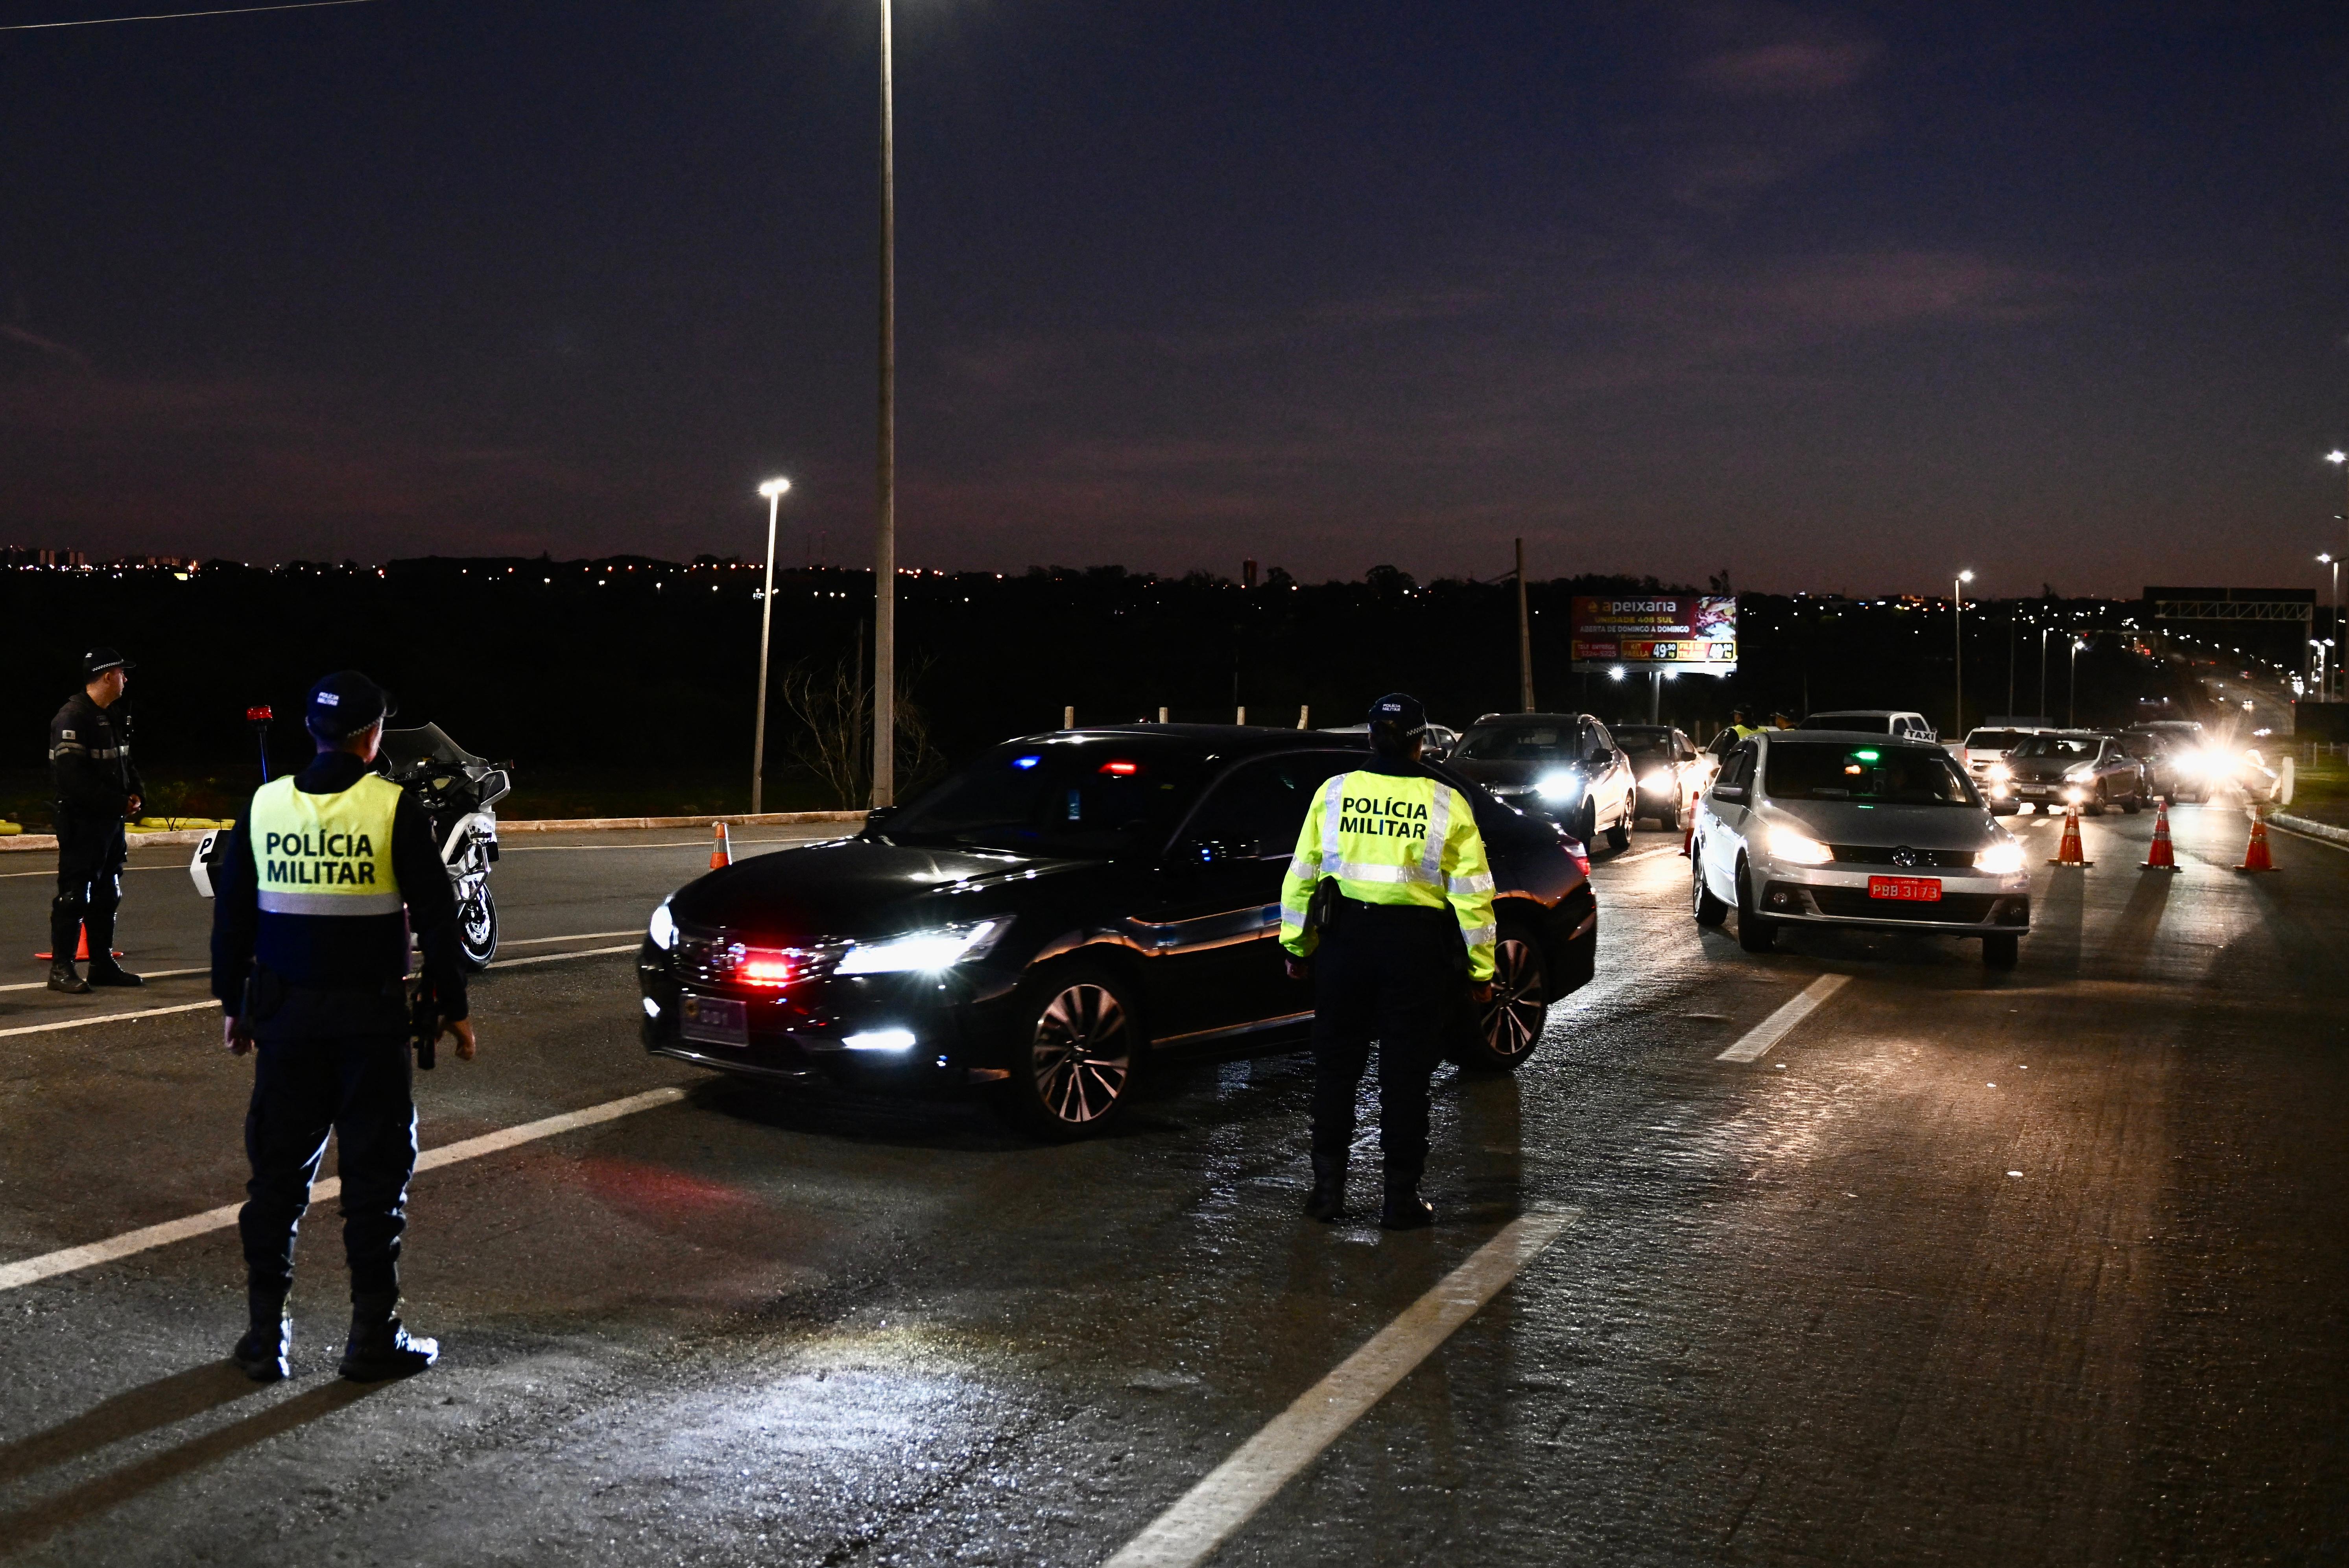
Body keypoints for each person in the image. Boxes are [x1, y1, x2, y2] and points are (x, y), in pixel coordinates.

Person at [210, 671, 478, 1383]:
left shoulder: (266, 804)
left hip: (286, 1022)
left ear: (313, 730)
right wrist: (453, 1007)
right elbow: (438, 917)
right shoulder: (393, 808)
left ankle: (266, 1340)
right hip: (369, 1027)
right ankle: (372, 1338)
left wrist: (233, 1006)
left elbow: (233, 917)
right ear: (374, 735)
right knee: (373, 1184)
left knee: (276, 1183)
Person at [1279, 693, 1496, 1230]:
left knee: (1335, 1070)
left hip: (1345, 944)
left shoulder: (1334, 793)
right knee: (1404, 1076)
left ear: (1371, 738)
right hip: (1414, 950)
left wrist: (1296, 947)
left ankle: (1326, 1195)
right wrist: (1481, 972)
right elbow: (1472, 897)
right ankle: (1399, 1199)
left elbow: (1301, 876)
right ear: (1422, 742)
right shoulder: (1446, 801)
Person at [47, 647, 146, 993]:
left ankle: (102, 964)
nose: (126, 679)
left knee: (108, 893)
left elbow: (125, 763)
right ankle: (62, 969)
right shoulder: (73, 718)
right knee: (75, 895)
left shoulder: (112, 715)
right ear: (107, 676)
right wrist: (118, 802)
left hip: (109, 822)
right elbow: (72, 780)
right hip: (82, 821)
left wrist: (136, 795)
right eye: (122, 673)